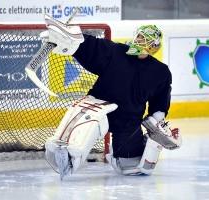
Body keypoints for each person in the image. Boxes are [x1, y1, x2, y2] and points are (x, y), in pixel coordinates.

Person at [41, 15, 182, 179]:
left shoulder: (160, 72)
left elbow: (160, 99)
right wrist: (74, 40)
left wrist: (157, 119)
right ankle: (67, 156)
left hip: (128, 120)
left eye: (145, 39)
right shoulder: (116, 52)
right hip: (98, 108)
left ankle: (128, 151)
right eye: (139, 36)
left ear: (154, 45)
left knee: (129, 164)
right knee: (74, 145)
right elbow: (93, 48)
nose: (139, 40)